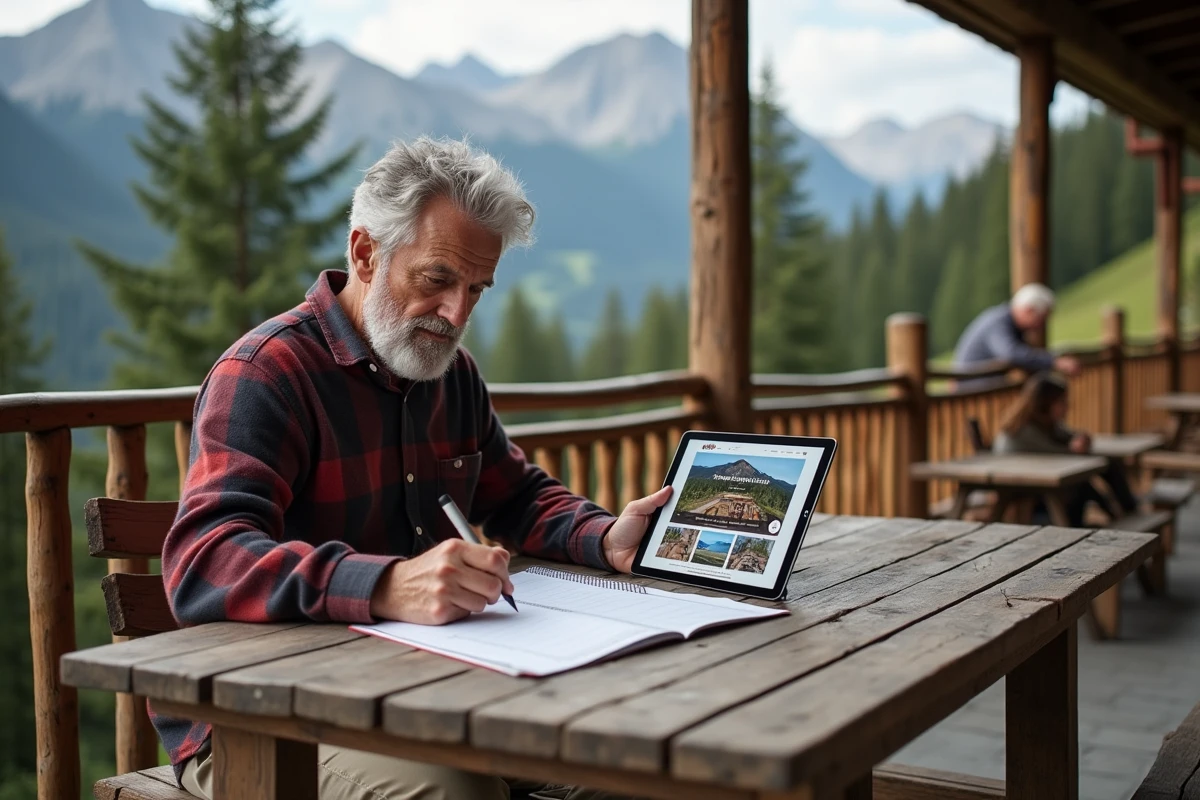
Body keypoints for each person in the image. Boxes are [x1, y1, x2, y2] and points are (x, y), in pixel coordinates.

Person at [155, 136, 672, 800]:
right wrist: (386, 584)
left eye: (476, 289)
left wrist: (602, 537)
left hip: (418, 684)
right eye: (437, 280)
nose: (457, 314)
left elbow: (515, 496)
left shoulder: (450, 375)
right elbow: (205, 561)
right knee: (456, 794)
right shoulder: (266, 374)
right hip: (261, 713)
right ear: (365, 253)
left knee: (635, 757)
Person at [993, 372, 1139, 527]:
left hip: (1041, 483)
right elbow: (1058, 455)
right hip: (1024, 488)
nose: (1068, 406)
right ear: (1045, 403)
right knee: (1085, 484)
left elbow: (1068, 437)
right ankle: (1123, 515)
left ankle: (1124, 515)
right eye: (1062, 402)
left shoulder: (1045, 423)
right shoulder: (1022, 431)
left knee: (1105, 469)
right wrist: (1075, 449)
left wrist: (1081, 439)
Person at [954, 283, 1081, 378]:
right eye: (1041, 319)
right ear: (1029, 310)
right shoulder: (998, 323)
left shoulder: (1005, 321)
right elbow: (1011, 353)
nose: (1041, 326)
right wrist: (1053, 362)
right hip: (974, 392)